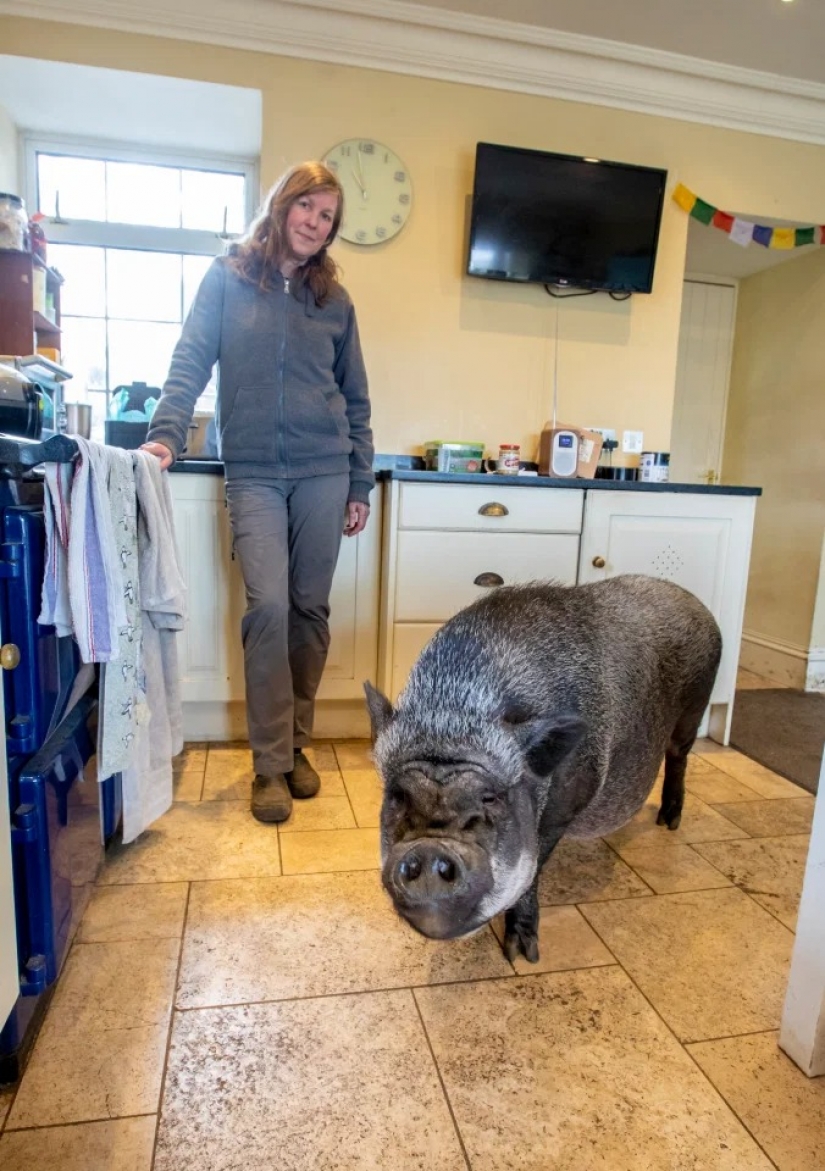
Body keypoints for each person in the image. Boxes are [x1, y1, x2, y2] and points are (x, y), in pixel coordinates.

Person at [141, 161, 375, 824]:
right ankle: (269, 763)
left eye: (327, 216)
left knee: (309, 609)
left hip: (325, 470)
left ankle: (295, 743)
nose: (314, 222)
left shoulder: (335, 301)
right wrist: (166, 436)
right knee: (268, 607)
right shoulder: (228, 278)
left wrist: (359, 479)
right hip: (252, 470)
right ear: (282, 205)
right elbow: (189, 359)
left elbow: (355, 396)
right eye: (307, 207)